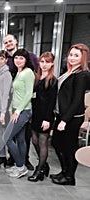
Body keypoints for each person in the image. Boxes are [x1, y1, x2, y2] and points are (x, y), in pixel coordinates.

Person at [51, 43, 90, 186]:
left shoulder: (82, 75)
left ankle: (69, 177)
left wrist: (65, 120)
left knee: (69, 147)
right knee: (57, 143)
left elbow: (77, 100)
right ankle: (64, 171)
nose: (72, 58)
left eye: (76, 55)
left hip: (72, 118)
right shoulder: (69, 71)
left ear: (83, 58)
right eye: (71, 54)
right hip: (62, 115)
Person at [3, 34, 38, 170]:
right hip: (17, 108)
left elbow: (28, 93)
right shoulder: (18, 72)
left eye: (21, 58)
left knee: (8, 137)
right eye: (16, 58)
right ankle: (20, 164)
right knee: (21, 139)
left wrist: (17, 111)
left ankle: (20, 164)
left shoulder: (28, 72)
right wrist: (12, 109)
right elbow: (14, 93)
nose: (18, 60)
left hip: (24, 110)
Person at [27, 52, 57, 182]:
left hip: (46, 115)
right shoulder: (37, 78)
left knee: (42, 142)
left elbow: (51, 102)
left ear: (52, 64)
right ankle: (44, 165)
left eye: (47, 62)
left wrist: (47, 119)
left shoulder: (52, 80)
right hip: (35, 113)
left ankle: (38, 171)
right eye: (42, 61)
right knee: (34, 140)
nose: (44, 65)